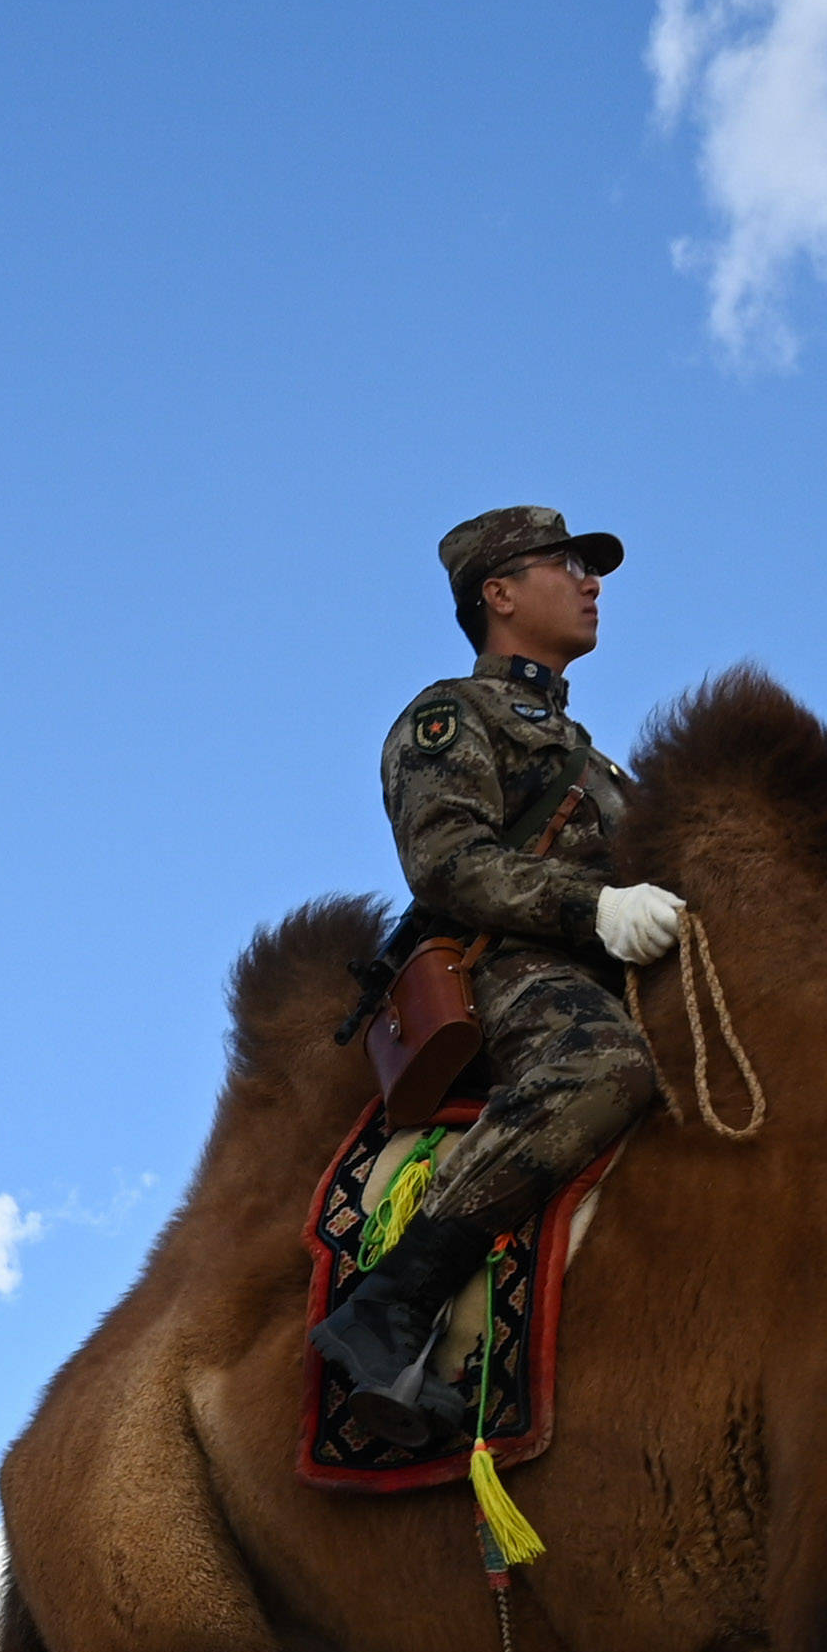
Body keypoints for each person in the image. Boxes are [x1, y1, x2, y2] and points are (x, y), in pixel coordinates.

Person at [311, 504, 691, 1439]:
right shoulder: (451, 715)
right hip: (509, 962)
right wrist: (593, 909)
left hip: (610, 967)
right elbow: (449, 864)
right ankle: (391, 1307)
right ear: (501, 592)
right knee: (601, 1070)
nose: (593, 582)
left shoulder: (596, 759)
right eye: (569, 564)